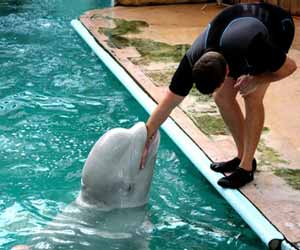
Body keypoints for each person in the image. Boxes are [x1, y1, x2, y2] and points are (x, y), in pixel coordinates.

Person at [140, 2, 297, 189]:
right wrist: (146, 138)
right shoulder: (193, 57)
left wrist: (256, 80)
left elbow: (290, 67)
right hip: (238, 29)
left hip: (276, 26)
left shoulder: (255, 47)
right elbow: (170, 101)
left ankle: (246, 169)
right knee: (222, 97)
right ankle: (242, 156)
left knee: (251, 95)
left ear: (228, 70)